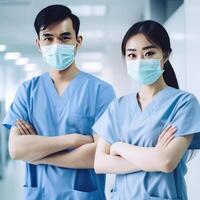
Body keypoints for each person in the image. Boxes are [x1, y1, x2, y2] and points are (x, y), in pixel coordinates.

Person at [2, 5, 115, 200]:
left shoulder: (101, 91)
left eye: (64, 38)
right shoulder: (27, 91)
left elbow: (99, 153)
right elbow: (17, 149)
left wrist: (38, 154)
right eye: (48, 38)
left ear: (77, 42)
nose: (56, 45)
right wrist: (74, 139)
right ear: (38, 43)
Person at [93, 20, 200, 200]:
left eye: (149, 53)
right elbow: (100, 163)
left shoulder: (184, 103)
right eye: (132, 55)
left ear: (165, 56)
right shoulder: (118, 106)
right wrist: (153, 158)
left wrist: (119, 146)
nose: (139, 61)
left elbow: (166, 162)